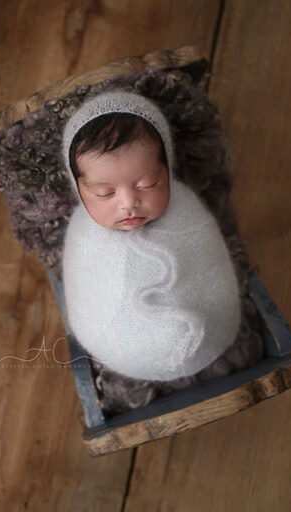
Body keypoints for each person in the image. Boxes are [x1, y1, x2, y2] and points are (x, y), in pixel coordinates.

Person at [60, 91, 252, 413]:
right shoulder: (83, 235)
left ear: (167, 170)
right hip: (124, 350)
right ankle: (132, 353)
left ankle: (209, 342)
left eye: (147, 184)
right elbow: (86, 292)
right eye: (104, 193)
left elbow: (210, 265)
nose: (128, 203)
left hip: (212, 329)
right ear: (79, 189)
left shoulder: (186, 209)